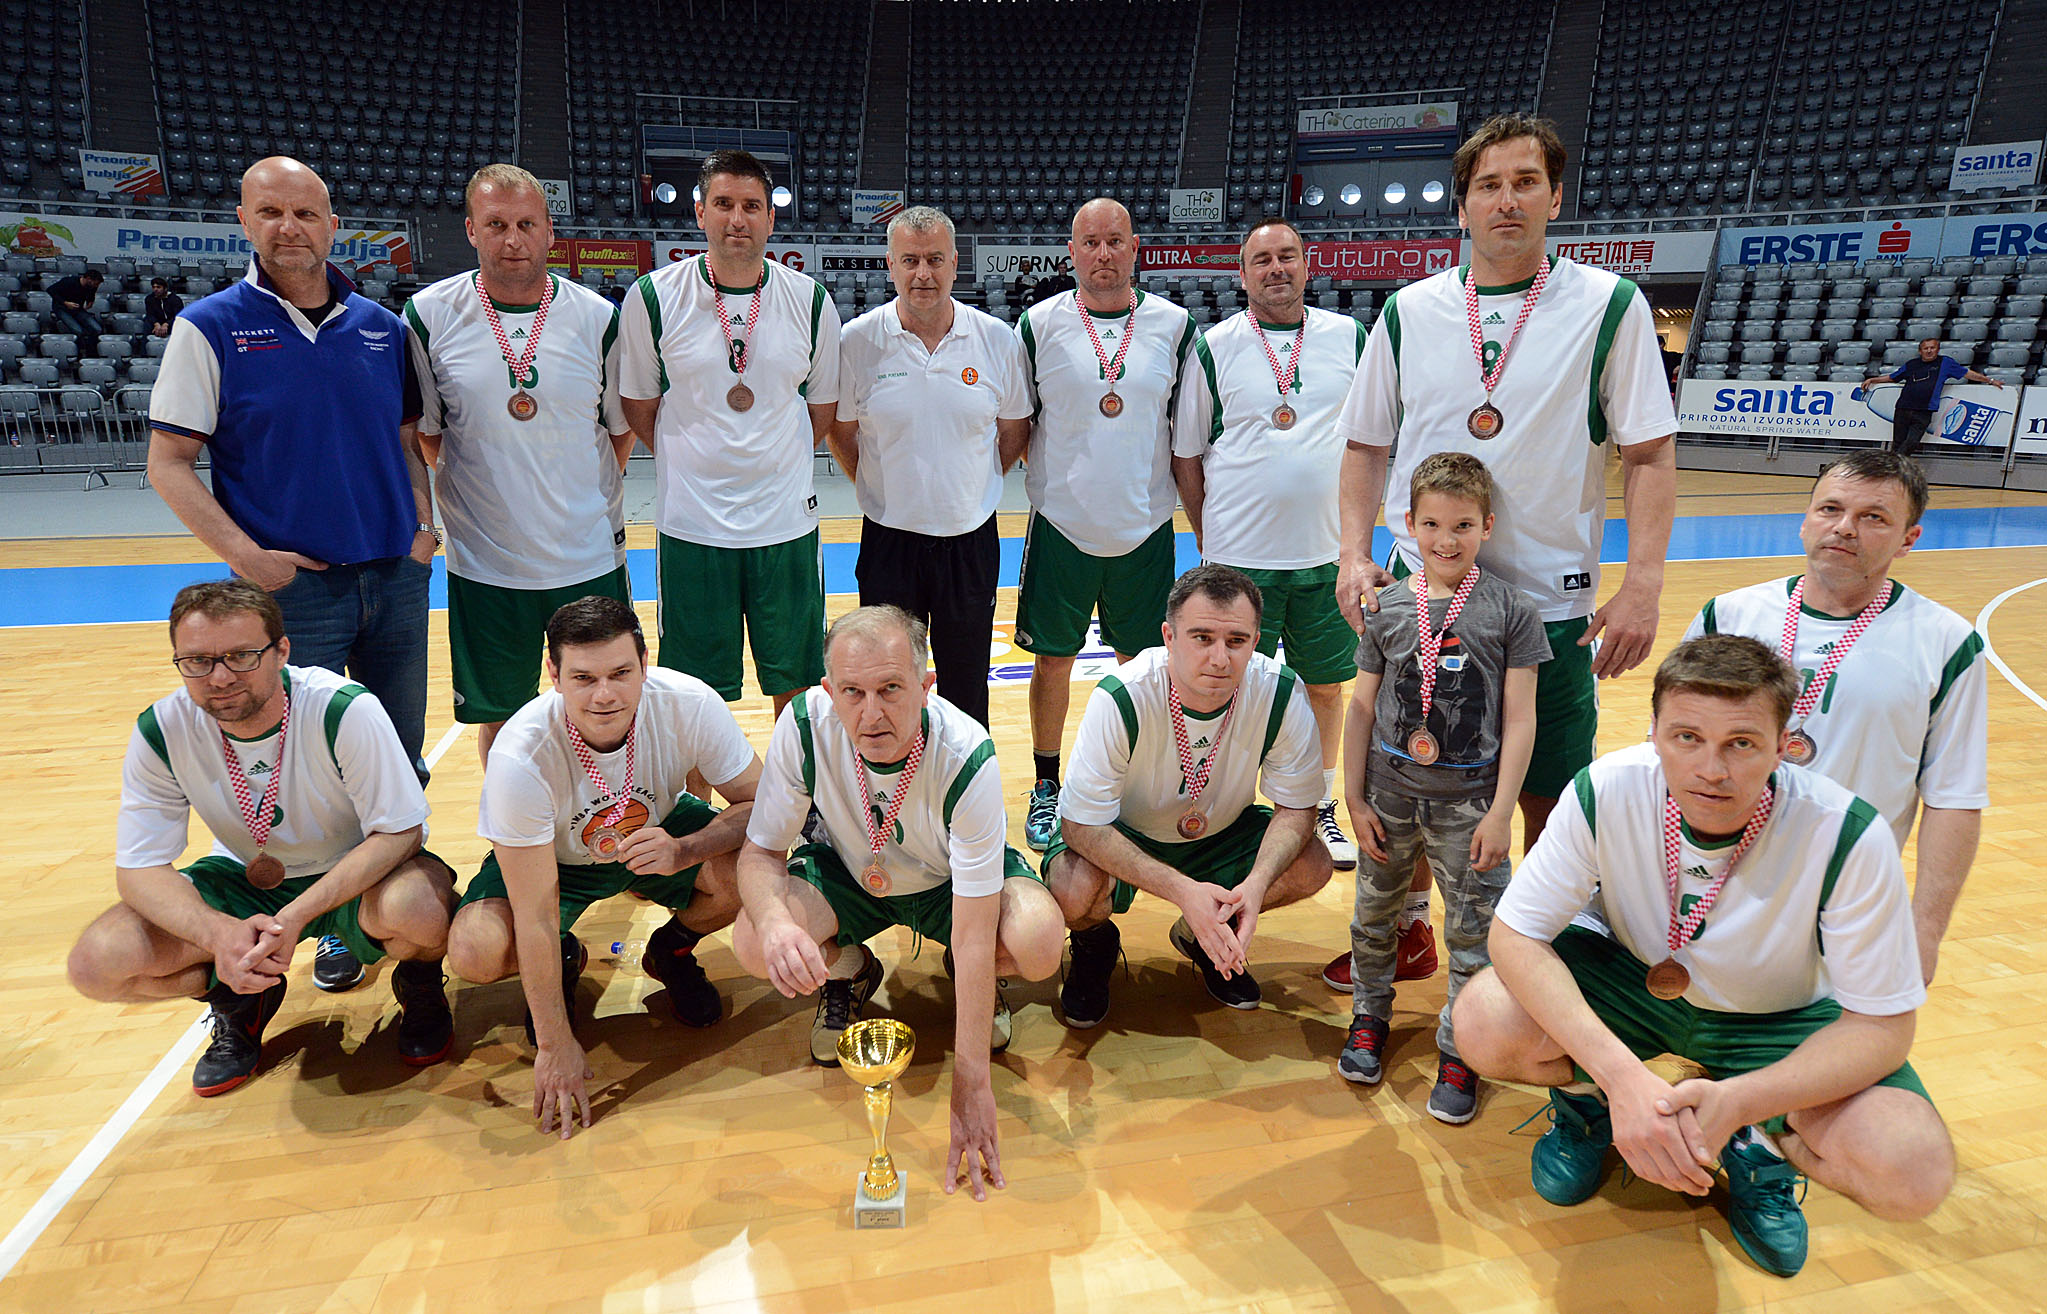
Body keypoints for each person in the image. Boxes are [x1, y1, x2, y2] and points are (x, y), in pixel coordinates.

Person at [1451, 635, 1954, 1278]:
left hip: (1779, 1019)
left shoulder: (1847, 833)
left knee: (1911, 1171)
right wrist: (1621, 1078)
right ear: (1654, 732)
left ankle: (1759, 1148)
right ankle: (1591, 1107)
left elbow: (1883, 1028)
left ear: (1783, 744)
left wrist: (1743, 1102)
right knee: (1483, 1020)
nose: (1711, 769)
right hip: (1634, 986)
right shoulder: (1606, 789)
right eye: (1687, 737)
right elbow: (1515, 936)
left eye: (1741, 743)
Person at [1331, 114, 1677, 981]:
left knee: (1546, 792)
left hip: (1548, 607)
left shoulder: (1609, 305)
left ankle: (1536, 954)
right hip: (1423, 600)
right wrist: (1351, 553)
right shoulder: (1409, 311)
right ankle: (1411, 930)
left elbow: (1647, 453)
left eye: (1525, 182)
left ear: (1555, 197)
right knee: (1409, 779)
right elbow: (1365, 445)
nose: (1506, 200)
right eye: (1487, 185)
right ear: (1461, 207)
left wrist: (1641, 586)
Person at [148, 156, 434, 994]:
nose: (289, 228)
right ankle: (294, 930)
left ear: (333, 224)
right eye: (270, 212)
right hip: (290, 595)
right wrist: (248, 560)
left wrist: (423, 530)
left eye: (305, 213)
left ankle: (386, 928)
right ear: (244, 221)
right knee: (298, 772)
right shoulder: (209, 326)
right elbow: (168, 464)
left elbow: (408, 441)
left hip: (394, 579)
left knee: (397, 760)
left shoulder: (382, 327)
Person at [65, 580, 455, 1097]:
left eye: (241, 656)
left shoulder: (340, 708)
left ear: (281, 651)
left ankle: (420, 982)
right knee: (96, 964)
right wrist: (217, 935)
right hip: (245, 877)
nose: (220, 676)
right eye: (198, 661)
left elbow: (399, 833)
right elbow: (139, 869)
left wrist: (295, 917)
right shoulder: (162, 729)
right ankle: (238, 999)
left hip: (357, 871)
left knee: (421, 910)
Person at [733, 606, 1064, 1201]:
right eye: (852, 693)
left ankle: (974, 982)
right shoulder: (803, 726)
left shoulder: (966, 752)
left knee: (1040, 941)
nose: (871, 713)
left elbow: (973, 929)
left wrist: (972, 1081)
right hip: (850, 875)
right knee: (755, 939)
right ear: (828, 691)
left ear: (925, 686)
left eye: (890, 689)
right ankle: (850, 969)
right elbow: (759, 854)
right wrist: (778, 922)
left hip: (947, 886)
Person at [445, 596, 759, 1137]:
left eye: (620, 673)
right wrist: (554, 1043)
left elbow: (760, 804)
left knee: (748, 872)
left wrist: (687, 850)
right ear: (554, 674)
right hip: (553, 858)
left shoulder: (688, 702)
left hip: (659, 835)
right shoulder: (520, 755)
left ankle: (672, 950)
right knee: (475, 949)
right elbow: (535, 913)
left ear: (644, 663)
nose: (605, 694)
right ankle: (563, 961)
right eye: (584, 678)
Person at [1683, 450, 1986, 983]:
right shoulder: (1728, 614)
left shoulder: (1946, 642)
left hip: (1843, 901)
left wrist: (1924, 931)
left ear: (1909, 539)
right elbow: (1668, 754)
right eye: (1830, 509)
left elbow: (1954, 799)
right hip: (1707, 882)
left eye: (1873, 517)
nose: (1845, 528)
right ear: (1805, 520)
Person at [404, 164, 636, 770]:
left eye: (527, 224)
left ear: (550, 231)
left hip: (587, 557)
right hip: (486, 564)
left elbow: (619, 432)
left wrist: (576, 498)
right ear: (470, 230)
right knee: (501, 720)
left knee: (603, 710)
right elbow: (428, 436)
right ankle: (513, 824)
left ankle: (602, 819)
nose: (513, 240)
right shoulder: (429, 314)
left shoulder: (597, 317)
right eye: (496, 224)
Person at [1339, 453, 1548, 1123]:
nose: (1446, 540)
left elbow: (1520, 719)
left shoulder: (1511, 610)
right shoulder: (1387, 607)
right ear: (1408, 524)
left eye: (1462, 525)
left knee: (1474, 932)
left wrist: (1500, 812)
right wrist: (1353, 797)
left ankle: (1462, 1047)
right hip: (1388, 796)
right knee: (1373, 917)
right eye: (1431, 524)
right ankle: (1368, 1017)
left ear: (1487, 527)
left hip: (1470, 804)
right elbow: (1361, 708)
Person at [1044, 564, 1332, 1022]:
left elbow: (1297, 809)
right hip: (1124, 834)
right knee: (1071, 890)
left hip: (1221, 835)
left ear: (1256, 641)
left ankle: (1208, 935)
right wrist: (1183, 891)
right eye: (1202, 638)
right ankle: (1094, 943)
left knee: (1312, 862)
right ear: (1169, 637)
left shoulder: (1279, 692)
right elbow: (1080, 826)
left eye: (1236, 641)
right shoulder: (1123, 695)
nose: (1219, 658)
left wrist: (1255, 887)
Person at [617, 149, 840, 717]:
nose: (737, 219)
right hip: (693, 527)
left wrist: (772, 458)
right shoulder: (652, 296)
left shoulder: (811, 300)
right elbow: (639, 406)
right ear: (700, 212)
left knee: (798, 685)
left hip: (785, 525)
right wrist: (696, 457)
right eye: (723, 204)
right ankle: (703, 784)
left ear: (771, 217)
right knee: (695, 696)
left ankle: (798, 780)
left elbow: (821, 410)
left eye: (751, 206)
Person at [1173, 216, 1365, 875]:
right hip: (1239, 563)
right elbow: (1187, 455)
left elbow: (1372, 440)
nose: (1276, 268)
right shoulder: (1214, 346)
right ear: (1242, 273)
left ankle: (1320, 806)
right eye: (1262, 260)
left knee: (1325, 689)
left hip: (1326, 555)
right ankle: (1224, 813)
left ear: (1306, 265)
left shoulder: (1349, 338)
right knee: (1227, 690)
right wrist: (1213, 538)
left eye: (1287, 256)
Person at [1015, 197, 1195, 852]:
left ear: (1135, 247)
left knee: (1143, 668)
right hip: (1062, 525)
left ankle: (1133, 787)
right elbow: (1017, 423)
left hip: (1145, 525)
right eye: (1089, 242)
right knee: (1052, 663)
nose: (1102, 254)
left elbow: (1187, 434)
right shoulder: (1037, 325)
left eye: (1115, 241)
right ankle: (1047, 783)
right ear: (1071, 252)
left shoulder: (1175, 326)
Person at [829, 205, 1031, 730]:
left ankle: (966, 779)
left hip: (970, 540)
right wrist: (880, 487)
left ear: (955, 263)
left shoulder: (996, 338)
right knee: (887, 678)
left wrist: (974, 484)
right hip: (888, 541)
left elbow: (1014, 431)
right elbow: (841, 432)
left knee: (967, 681)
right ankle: (891, 775)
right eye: (911, 260)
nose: (924, 274)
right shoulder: (856, 341)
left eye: (935, 260)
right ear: (890, 264)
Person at [1862, 337, 2005, 457]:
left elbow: (1967, 373)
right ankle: (1895, 469)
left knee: (1912, 442)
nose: (1929, 351)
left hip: (1924, 411)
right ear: (1920, 351)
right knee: (1898, 442)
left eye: (1932, 348)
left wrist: (1990, 381)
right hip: (1903, 408)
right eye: (1926, 348)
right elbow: (1893, 377)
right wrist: (1873, 379)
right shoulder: (1911, 364)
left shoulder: (1945, 363)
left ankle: (1895, 464)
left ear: (1938, 349)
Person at [47, 267, 105, 353]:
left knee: (97, 329)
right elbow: (50, 290)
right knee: (78, 330)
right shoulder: (69, 281)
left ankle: (91, 350)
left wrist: (90, 301)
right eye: (95, 284)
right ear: (88, 279)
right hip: (62, 308)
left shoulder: (92, 286)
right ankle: (78, 351)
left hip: (78, 309)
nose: (96, 286)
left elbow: (92, 294)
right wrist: (65, 303)